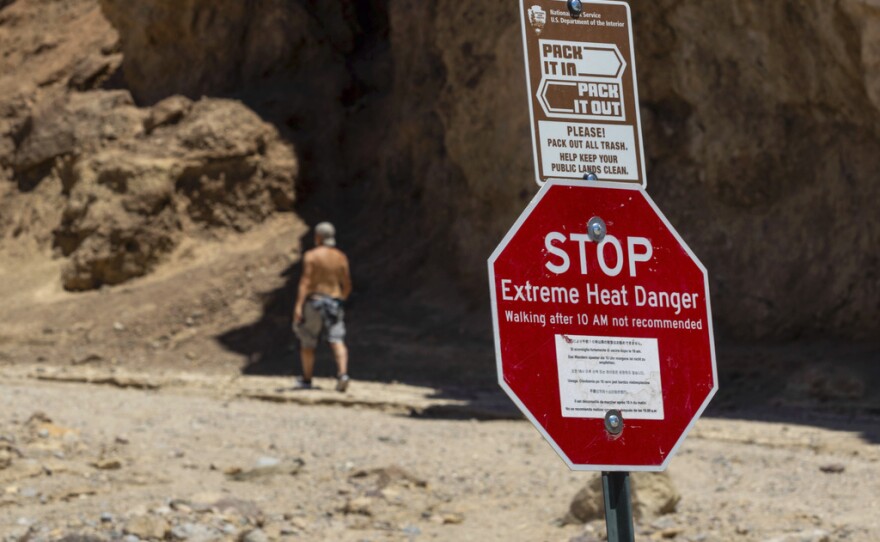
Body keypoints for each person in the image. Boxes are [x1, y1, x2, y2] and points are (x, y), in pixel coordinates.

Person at [293, 222, 352, 392]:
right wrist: (341, 299)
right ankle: (343, 374)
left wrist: (298, 305)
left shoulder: (311, 256)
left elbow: (305, 282)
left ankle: (307, 379)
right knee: (337, 339)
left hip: (315, 301)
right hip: (334, 301)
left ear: (317, 237)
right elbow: (347, 284)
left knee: (308, 340)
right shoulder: (341, 257)